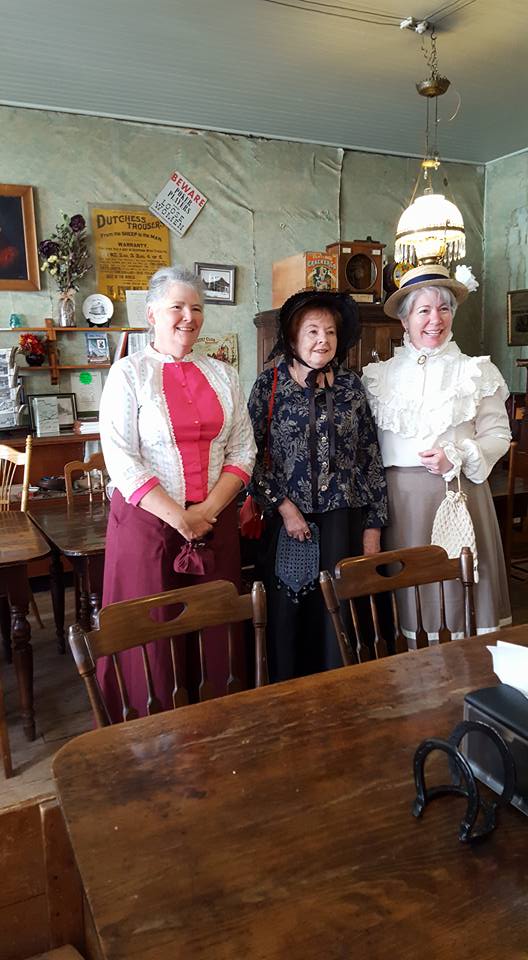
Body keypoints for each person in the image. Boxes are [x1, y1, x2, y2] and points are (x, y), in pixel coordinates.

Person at [98, 265, 256, 720]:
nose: (189, 317)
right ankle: (151, 728)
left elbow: (244, 447)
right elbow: (122, 457)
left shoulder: (225, 374)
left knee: (213, 624)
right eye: (177, 307)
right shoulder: (128, 375)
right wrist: (179, 517)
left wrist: (207, 509)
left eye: (197, 308)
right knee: (153, 630)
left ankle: (215, 718)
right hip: (148, 527)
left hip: (214, 522)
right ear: (152, 314)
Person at [362, 263, 512, 639]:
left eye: (443, 309)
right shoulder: (378, 377)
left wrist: (458, 453)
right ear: (405, 320)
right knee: (411, 612)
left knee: (462, 606)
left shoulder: (476, 371)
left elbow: (498, 435)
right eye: (423, 310)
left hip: (460, 496)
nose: (435, 319)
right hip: (401, 506)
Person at [247, 290, 388, 681]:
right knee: (289, 611)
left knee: (339, 611)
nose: (322, 340)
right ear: (292, 338)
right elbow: (248, 454)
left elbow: (369, 457)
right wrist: (285, 508)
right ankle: (287, 697)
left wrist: (373, 527)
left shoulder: (351, 387)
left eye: (329, 332)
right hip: (286, 519)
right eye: (311, 331)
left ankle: (338, 692)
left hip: (343, 519)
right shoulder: (269, 384)